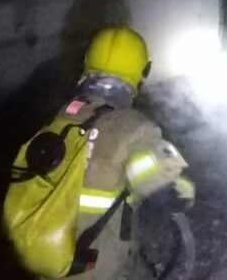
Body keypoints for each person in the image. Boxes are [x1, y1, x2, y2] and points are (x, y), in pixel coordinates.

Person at [65, 27, 195, 279]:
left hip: (48, 258)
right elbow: (164, 187)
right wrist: (184, 191)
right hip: (98, 267)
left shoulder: (61, 118)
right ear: (140, 73)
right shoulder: (136, 128)